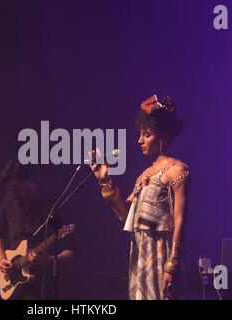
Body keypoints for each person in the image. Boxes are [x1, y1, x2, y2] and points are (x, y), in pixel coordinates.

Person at [89, 94, 190, 300]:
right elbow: (124, 214)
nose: (140, 140)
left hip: (162, 252)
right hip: (141, 254)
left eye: (146, 134)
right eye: (140, 134)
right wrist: (104, 182)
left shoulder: (177, 170)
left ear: (162, 136)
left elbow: (180, 220)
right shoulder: (144, 175)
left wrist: (172, 265)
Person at [0, 159, 75, 300]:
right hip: (14, 281)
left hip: (42, 286)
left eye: (17, 190)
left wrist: (51, 260)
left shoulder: (51, 204)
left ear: (29, 180)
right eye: (10, 191)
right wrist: (1, 258)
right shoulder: (8, 200)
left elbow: (72, 251)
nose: (13, 194)